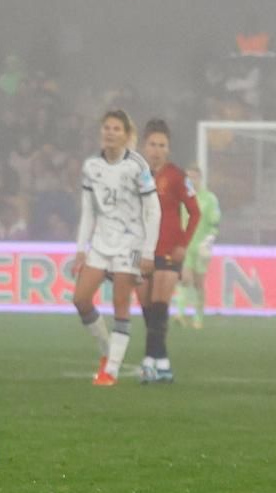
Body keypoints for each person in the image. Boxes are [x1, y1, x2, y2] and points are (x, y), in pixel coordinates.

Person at [72, 109, 160, 387]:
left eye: (116, 129)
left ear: (126, 135)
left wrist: (148, 252)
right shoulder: (92, 167)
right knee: (81, 299)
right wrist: (80, 248)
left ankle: (110, 371)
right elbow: (88, 211)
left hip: (131, 243)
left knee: (121, 303)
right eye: (107, 127)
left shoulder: (137, 166)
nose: (110, 132)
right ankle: (108, 352)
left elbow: (153, 211)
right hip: (101, 242)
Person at [136, 119, 199, 383]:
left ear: (168, 149)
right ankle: (162, 362)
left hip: (169, 250)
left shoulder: (177, 176)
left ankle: (149, 362)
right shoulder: (135, 174)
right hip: (140, 251)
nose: (156, 150)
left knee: (160, 306)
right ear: (144, 145)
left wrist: (183, 244)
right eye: (152, 144)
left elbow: (195, 212)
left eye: (162, 145)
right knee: (148, 309)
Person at [172, 166, 220, 329]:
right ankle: (179, 313)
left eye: (194, 177)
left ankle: (198, 317)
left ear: (200, 179)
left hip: (201, 247)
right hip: (185, 246)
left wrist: (209, 240)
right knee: (184, 279)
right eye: (188, 177)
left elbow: (215, 223)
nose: (191, 180)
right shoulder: (182, 198)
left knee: (199, 284)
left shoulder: (210, 198)